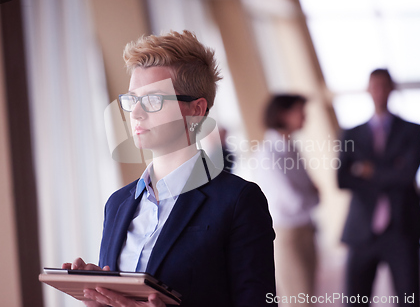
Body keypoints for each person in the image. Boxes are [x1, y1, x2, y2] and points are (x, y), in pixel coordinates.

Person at [62, 31, 276, 307]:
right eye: (131, 100)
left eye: (153, 100)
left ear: (196, 110)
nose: (136, 113)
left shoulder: (238, 201)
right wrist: (101, 297)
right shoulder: (117, 204)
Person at [337, 69, 420, 306]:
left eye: (383, 85)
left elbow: (408, 174)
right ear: (368, 90)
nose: (379, 91)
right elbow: (342, 180)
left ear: (392, 89)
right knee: (355, 300)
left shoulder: (412, 130)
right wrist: (392, 171)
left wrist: (369, 171)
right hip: (362, 230)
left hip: (402, 228)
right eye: (374, 85)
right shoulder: (351, 133)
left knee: (409, 299)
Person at [254, 94, 319, 307]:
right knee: (298, 300)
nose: (305, 117)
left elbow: (312, 193)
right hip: (287, 235)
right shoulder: (267, 153)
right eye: (300, 111)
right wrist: (311, 195)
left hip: (306, 228)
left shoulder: (291, 147)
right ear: (283, 114)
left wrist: (310, 195)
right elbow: (294, 200)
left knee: (308, 297)